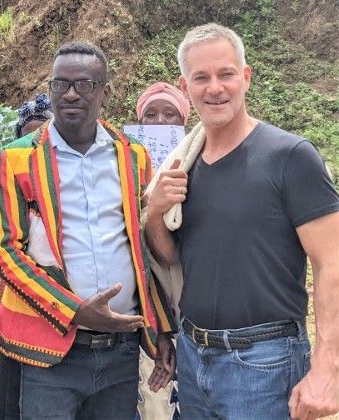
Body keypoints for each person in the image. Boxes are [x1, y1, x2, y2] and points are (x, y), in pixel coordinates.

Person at [145, 23, 339, 419]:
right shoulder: (184, 164)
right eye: (201, 77)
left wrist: (327, 369)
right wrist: (155, 214)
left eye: (226, 74)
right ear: (186, 87)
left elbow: (331, 263)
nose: (215, 87)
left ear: (246, 77)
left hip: (263, 363)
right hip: (193, 354)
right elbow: (170, 258)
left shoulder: (290, 156)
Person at [0, 42, 176, 419]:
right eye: (61, 84)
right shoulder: (14, 158)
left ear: (105, 92)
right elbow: (5, 251)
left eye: (85, 84)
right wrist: (74, 311)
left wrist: (162, 326)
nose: (71, 94)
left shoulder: (133, 155)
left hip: (121, 351)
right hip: (50, 352)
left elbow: (142, 249)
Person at [0, 91, 53, 420]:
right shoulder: (11, 177)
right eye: (29, 133)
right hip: (19, 299)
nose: (36, 139)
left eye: (42, 131)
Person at [133, 81, 190, 420]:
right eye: (150, 115)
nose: (159, 122)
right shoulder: (126, 170)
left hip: (185, 300)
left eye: (170, 114)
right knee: (151, 397)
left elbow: (173, 255)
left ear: (184, 121)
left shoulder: (198, 165)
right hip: (144, 303)